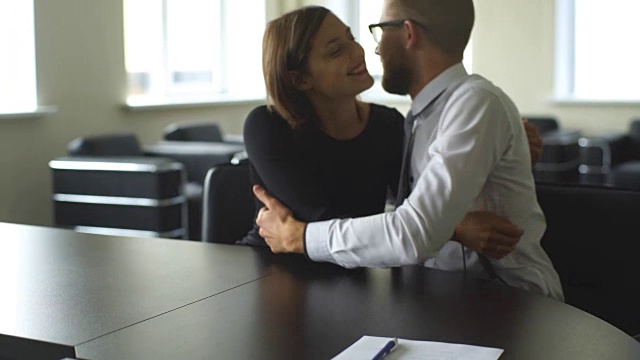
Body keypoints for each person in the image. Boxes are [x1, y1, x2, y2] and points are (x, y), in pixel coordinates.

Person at [253, 0, 564, 301]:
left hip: (508, 300)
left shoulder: (474, 104)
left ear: (408, 34)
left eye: (379, 31)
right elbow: (411, 216)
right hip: (434, 294)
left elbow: (414, 232)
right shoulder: (421, 117)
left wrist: (299, 237)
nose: (371, 48)